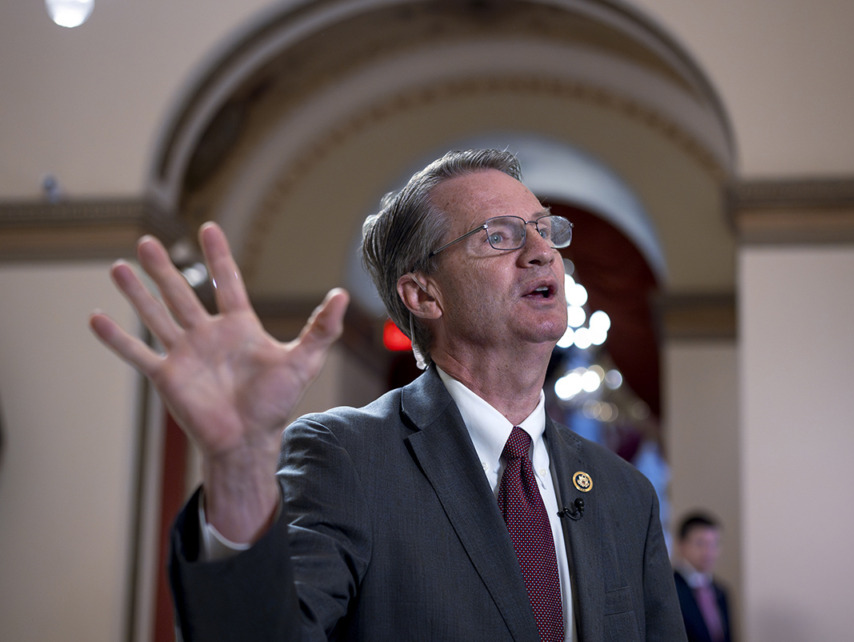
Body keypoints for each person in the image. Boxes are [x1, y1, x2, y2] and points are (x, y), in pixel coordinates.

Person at [91, 149, 685, 641]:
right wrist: (240, 468)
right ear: (424, 295)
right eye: (498, 237)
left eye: (543, 228)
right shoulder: (347, 457)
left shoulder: (622, 493)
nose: (541, 252)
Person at [672, 512, 733, 642]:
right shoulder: (670, 590)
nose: (708, 551)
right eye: (700, 543)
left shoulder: (721, 591)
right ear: (681, 545)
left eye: (714, 544)